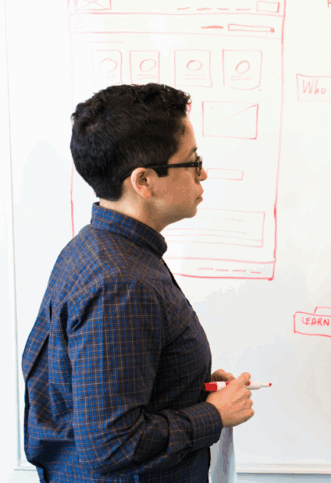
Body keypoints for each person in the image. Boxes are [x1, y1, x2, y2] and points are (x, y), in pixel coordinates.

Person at [21, 83, 255, 482]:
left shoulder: (103, 249)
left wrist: (187, 388)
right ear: (144, 181)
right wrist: (212, 415)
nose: (203, 173)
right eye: (192, 161)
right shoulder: (121, 284)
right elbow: (111, 445)